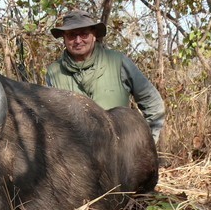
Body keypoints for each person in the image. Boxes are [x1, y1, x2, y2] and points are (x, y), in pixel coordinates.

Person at [46, 10, 165, 144]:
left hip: (120, 153)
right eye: (72, 35)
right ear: (64, 38)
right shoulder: (54, 72)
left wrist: (143, 147)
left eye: (84, 34)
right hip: (76, 157)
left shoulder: (117, 62)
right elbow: (50, 121)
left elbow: (154, 105)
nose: (78, 40)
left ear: (94, 35)